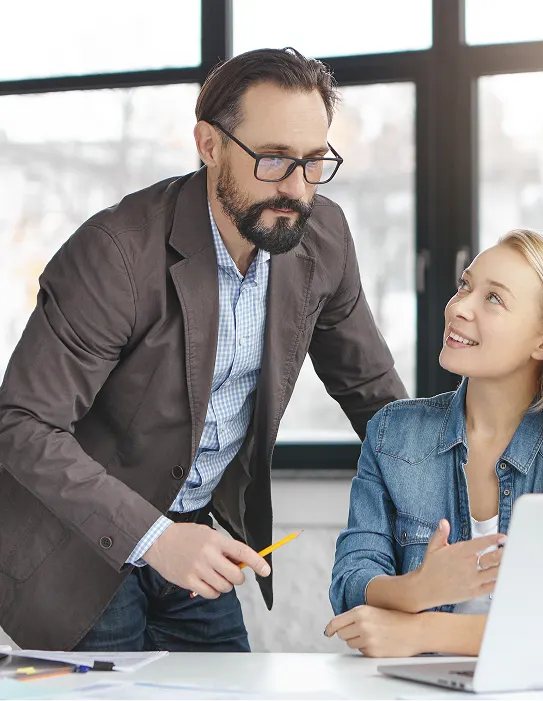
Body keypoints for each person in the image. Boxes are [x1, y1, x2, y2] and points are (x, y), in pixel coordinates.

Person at [0, 47, 407, 653]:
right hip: (78, 546)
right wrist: (156, 538)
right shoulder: (115, 253)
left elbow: (374, 396)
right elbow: (21, 424)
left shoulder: (323, 236)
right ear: (209, 145)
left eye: (314, 161)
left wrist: (445, 498)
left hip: (194, 537)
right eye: (272, 160)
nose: (296, 188)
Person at [326, 229, 543, 658]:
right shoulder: (393, 433)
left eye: (494, 298)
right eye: (465, 285)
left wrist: (424, 631)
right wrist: (416, 590)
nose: (458, 307)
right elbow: (350, 584)